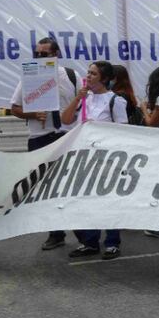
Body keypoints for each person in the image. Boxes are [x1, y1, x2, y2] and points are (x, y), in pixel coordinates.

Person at [10, 37, 81, 252]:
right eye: (37, 54)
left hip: (66, 135)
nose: (40, 58)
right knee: (45, 187)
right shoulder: (29, 77)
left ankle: (83, 233)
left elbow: (82, 102)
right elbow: (14, 107)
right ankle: (55, 233)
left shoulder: (71, 75)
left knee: (71, 185)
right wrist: (33, 113)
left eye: (44, 54)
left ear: (55, 54)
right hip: (40, 137)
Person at [60, 61, 129, 259]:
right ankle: (90, 241)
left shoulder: (115, 100)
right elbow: (66, 120)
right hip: (85, 158)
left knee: (108, 201)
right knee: (87, 200)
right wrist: (76, 99)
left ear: (105, 79)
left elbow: (123, 132)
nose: (88, 76)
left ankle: (112, 242)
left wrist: (100, 131)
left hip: (108, 159)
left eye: (93, 74)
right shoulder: (85, 98)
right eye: (88, 73)